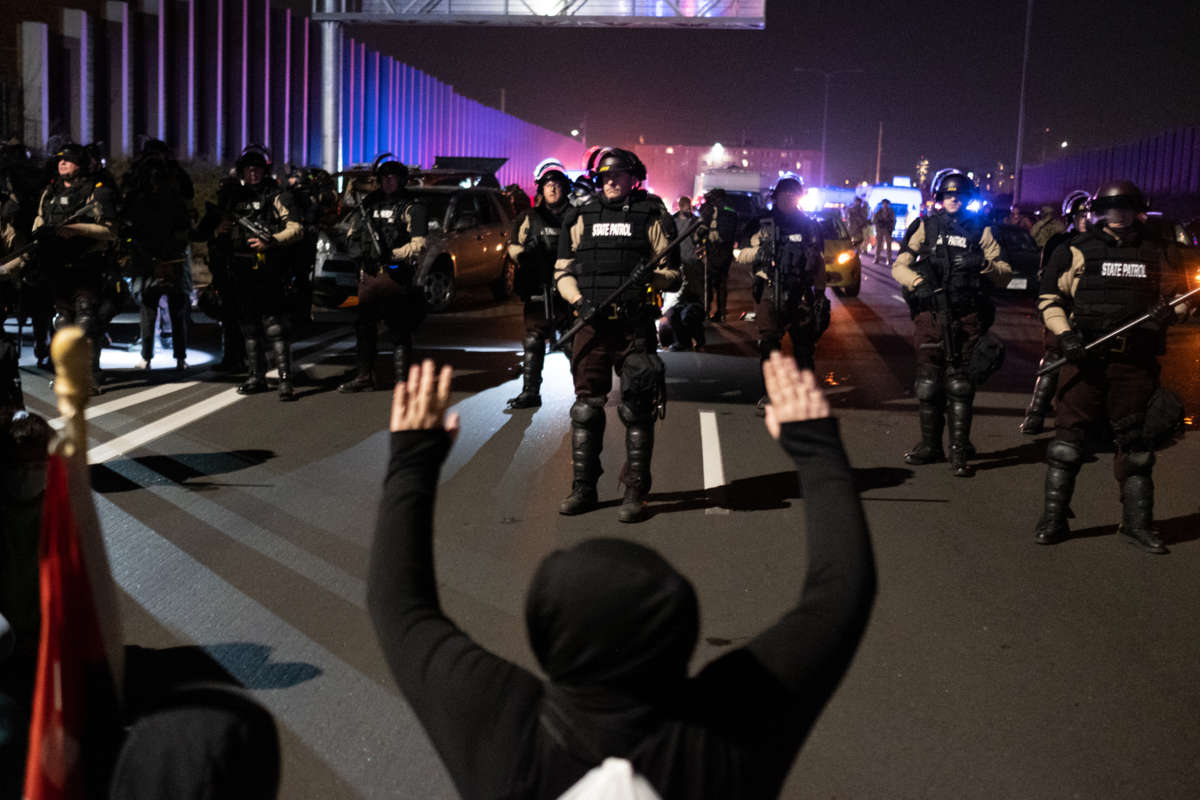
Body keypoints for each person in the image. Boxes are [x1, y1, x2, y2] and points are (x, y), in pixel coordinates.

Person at [367, 354, 875, 799]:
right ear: (684, 631)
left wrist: (412, 461)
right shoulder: (721, 738)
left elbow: (399, 607)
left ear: (544, 636)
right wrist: (816, 449)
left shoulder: (504, 731)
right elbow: (840, 594)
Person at [1033, 180, 1193, 553]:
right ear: (1098, 213)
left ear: (1137, 211)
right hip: (1085, 359)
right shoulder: (1076, 249)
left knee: (1135, 445)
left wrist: (1168, 313)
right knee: (1067, 444)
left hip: (1135, 364)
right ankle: (1053, 519)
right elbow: (1049, 298)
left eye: (1124, 210)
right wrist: (1067, 336)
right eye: (1110, 210)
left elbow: (1184, 299)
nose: (1117, 218)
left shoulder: (1159, 252)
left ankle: (1136, 523)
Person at [552, 148, 679, 523]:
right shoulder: (580, 215)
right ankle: (583, 488)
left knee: (637, 409)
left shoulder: (651, 214)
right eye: (606, 175)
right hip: (591, 323)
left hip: (634, 324)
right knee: (586, 408)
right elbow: (562, 272)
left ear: (633, 178)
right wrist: (578, 302)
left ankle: (635, 492)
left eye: (619, 175)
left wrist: (650, 279)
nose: (611, 181)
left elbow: (675, 274)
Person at [892, 171, 1011, 477]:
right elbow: (900, 265)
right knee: (929, 384)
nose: (953, 200)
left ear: (968, 199)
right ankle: (930, 445)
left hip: (967, 315)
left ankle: (959, 450)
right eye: (948, 195)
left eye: (959, 196)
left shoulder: (982, 230)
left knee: (960, 385)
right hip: (931, 314)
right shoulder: (925, 226)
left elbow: (1004, 273)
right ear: (939, 199)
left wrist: (983, 265)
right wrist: (916, 281)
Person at [210, 146, 303, 400]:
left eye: (257, 169)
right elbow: (214, 230)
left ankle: (285, 380)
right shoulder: (233, 196)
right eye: (248, 169)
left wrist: (271, 240)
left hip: (270, 267)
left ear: (265, 170)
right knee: (249, 326)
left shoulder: (277, 195)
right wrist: (221, 229)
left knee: (274, 326)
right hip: (241, 268)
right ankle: (256, 376)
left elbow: (295, 228)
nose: (253, 173)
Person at [735, 175, 828, 413]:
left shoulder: (809, 225)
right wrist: (761, 253)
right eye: (784, 194)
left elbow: (818, 262)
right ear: (776, 196)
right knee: (769, 344)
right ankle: (771, 394)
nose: (788, 199)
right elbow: (739, 254)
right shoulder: (761, 223)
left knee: (804, 347)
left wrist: (819, 294)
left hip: (801, 292)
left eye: (793, 195)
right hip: (769, 290)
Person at [337, 157, 429, 394]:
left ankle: (403, 382)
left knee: (399, 328)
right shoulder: (369, 203)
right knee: (364, 327)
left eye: (393, 177)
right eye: (384, 177)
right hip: (369, 275)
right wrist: (359, 254)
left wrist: (392, 254)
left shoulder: (412, 206)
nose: (388, 182)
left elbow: (419, 244)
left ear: (401, 180)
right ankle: (364, 376)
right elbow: (351, 231)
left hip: (396, 275)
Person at [32, 143, 119, 393]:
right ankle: (66, 375)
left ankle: (89, 375)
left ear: (80, 164)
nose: (62, 163)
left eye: (68, 160)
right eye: (60, 159)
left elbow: (110, 231)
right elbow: (39, 221)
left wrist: (74, 229)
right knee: (62, 323)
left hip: (87, 264)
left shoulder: (96, 191)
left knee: (85, 322)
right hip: (58, 267)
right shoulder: (49, 192)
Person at [1019, 189, 1089, 434]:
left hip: (1092, 313)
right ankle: (1036, 413)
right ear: (1071, 218)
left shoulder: (1101, 245)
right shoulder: (1059, 243)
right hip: (1062, 309)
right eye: (1081, 216)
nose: (1086, 220)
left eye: (1089, 215)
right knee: (1053, 358)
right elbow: (1045, 278)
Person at [504, 159, 573, 409]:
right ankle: (530, 392)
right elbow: (513, 245)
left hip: (567, 291)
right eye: (547, 185)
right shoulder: (529, 217)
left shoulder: (575, 217)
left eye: (557, 185)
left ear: (565, 188)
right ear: (540, 189)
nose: (552, 189)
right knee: (533, 340)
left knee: (572, 341)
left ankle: (586, 393)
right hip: (537, 289)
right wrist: (523, 256)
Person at [121, 139, 195, 371]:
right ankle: (148, 355)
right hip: (147, 246)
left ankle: (179, 356)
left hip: (173, 246)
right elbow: (128, 203)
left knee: (177, 305)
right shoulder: (138, 177)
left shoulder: (174, 175)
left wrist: (172, 166)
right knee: (148, 304)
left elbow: (188, 195)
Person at [664, 196, 706, 351]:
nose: (690, 210)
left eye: (690, 208)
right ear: (680, 207)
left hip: (693, 264)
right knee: (676, 304)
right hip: (677, 264)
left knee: (692, 302)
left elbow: (700, 240)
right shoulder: (672, 222)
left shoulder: (696, 222)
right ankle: (682, 339)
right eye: (687, 207)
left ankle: (697, 337)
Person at [698, 188, 737, 322]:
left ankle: (715, 311)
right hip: (718, 250)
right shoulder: (729, 212)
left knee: (715, 282)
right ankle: (716, 312)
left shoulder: (726, 212)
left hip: (719, 250)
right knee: (718, 283)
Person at [871, 199, 896, 266]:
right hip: (880, 229)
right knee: (879, 244)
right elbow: (874, 220)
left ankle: (889, 259)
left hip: (887, 229)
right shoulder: (879, 211)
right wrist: (878, 226)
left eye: (886, 204)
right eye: (884, 204)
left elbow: (893, 220)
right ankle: (877, 258)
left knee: (889, 245)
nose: (885, 205)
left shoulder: (890, 211)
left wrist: (891, 228)